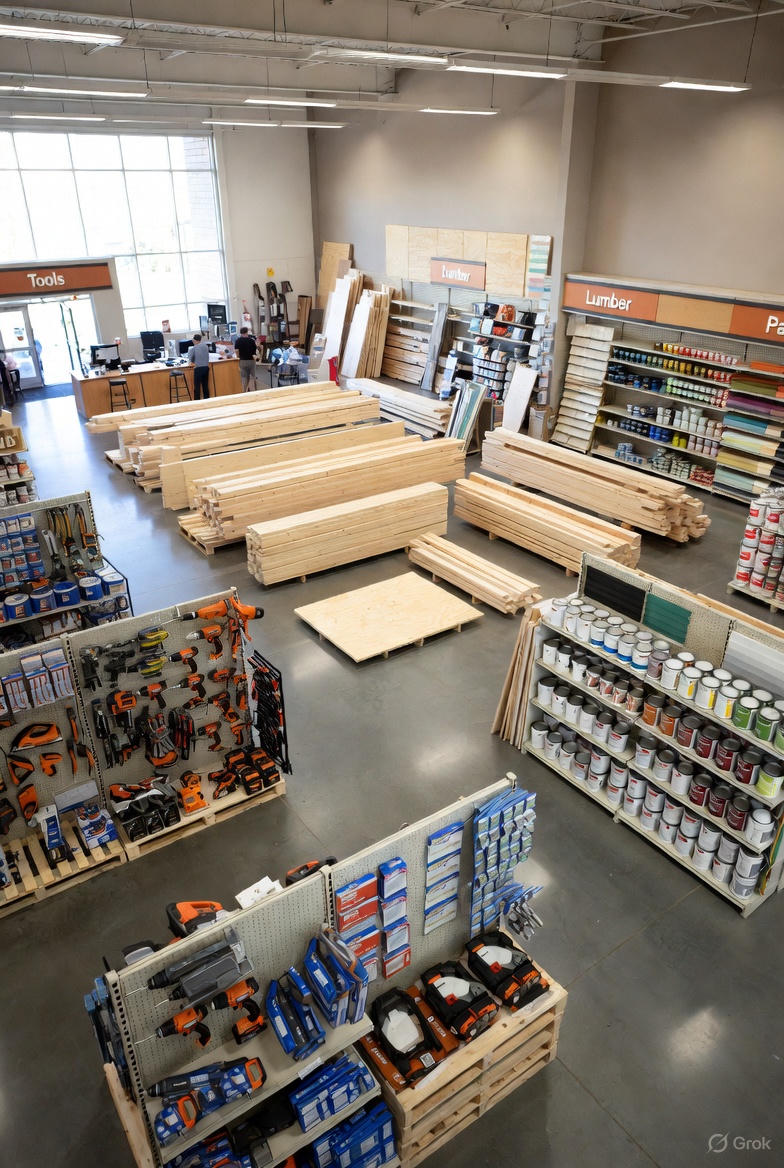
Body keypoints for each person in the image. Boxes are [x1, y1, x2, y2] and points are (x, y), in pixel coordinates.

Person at [187, 332, 211, 400]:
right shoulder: (206, 346)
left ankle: (197, 401)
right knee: (205, 386)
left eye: (193, 341)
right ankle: (207, 399)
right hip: (206, 368)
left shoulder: (194, 348)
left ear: (195, 340)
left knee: (197, 387)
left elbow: (191, 359)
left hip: (198, 369)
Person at [234, 326, 258, 392]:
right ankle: (254, 391)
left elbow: (236, 351)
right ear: (247, 332)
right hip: (251, 361)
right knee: (253, 376)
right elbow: (254, 352)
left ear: (241, 333)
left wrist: (238, 357)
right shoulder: (251, 340)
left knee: (244, 377)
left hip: (242, 361)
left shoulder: (238, 341)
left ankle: (244, 391)